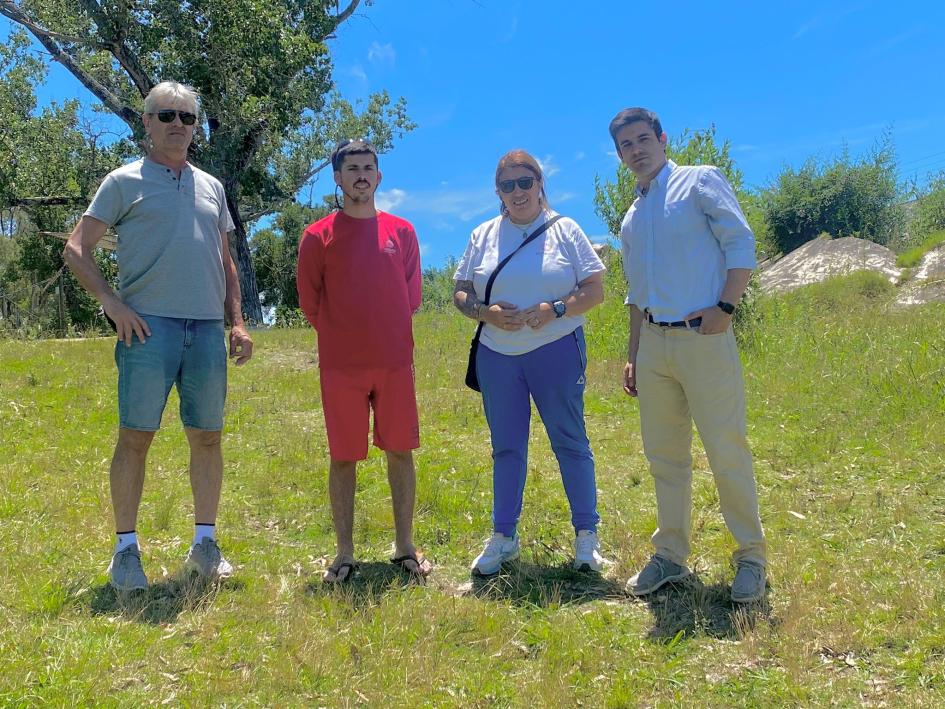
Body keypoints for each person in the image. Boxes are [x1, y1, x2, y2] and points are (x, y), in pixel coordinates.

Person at [63, 81, 253, 592]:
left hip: (208, 331)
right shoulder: (123, 181)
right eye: (165, 115)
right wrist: (112, 303)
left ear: (195, 127)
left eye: (187, 118)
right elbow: (76, 249)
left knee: (208, 437)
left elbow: (225, 262)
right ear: (146, 122)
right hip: (148, 330)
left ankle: (206, 546)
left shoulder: (211, 186)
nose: (177, 125)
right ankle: (126, 553)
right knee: (135, 438)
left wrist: (235, 321)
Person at [611, 107, 767, 602]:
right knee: (665, 456)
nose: (635, 151)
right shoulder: (632, 217)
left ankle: (751, 557)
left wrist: (726, 307)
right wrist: (634, 352)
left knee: (726, 448)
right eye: (625, 146)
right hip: (654, 344)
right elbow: (637, 291)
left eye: (642, 139)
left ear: (661, 138)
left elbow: (741, 242)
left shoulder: (700, 182)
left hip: (703, 336)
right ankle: (671, 556)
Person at [453, 149, 608, 576]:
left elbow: (595, 291)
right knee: (506, 447)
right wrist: (486, 314)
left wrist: (555, 309)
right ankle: (504, 538)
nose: (517, 192)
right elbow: (461, 292)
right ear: (497, 191)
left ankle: (586, 538)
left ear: (540, 184)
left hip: (555, 348)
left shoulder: (565, 230)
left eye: (525, 182)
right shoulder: (482, 234)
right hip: (497, 354)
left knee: (570, 442)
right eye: (508, 185)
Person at [296, 139, 431, 583]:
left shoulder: (403, 232)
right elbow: (309, 301)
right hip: (341, 367)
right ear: (337, 177)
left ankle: (405, 547)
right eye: (351, 168)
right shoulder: (318, 236)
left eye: (368, 167)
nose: (360, 175)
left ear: (378, 176)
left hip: (394, 363)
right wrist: (342, 336)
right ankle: (344, 553)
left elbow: (411, 297)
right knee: (343, 458)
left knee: (400, 452)